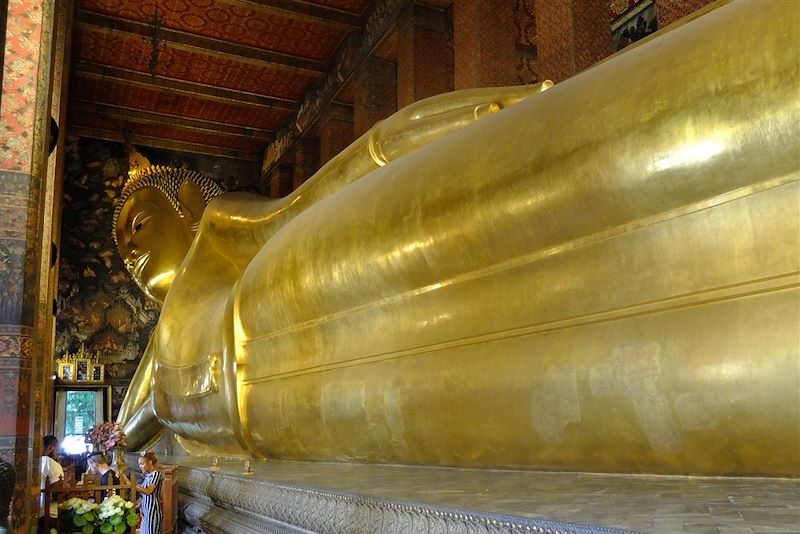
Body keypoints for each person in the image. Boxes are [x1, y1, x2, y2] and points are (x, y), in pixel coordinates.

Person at [115, 0, 799, 477]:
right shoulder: (164, 347)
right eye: (121, 249)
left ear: (185, 206)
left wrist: (432, 128)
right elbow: (132, 423)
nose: (132, 253)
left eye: (139, 227)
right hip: (290, 407)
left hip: (283, 291)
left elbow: (318, 190)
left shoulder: (230, 230)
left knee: (538, 182)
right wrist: (118, 444)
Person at [39, 436, 64, 533]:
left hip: (32, 509)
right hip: (48, 512)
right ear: (51, 447)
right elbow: (56, 494)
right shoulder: (53, 464)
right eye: (57, 449)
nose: (57, 453)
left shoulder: (32, 462)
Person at [135, 451, 162, 534]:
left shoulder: (156, 474)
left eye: (142, 464)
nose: (140, 467)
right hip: (146, 513)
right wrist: (140, 504)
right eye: (139, 464)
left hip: (152, 512)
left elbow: (148, 491)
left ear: (150, 462)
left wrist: (133, 485)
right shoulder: (147, 476)